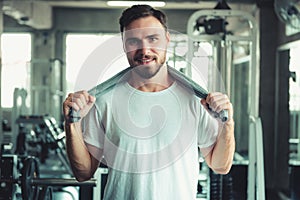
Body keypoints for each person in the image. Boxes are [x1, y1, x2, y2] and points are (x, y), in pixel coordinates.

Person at [62, 4, 235, 200]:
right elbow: (83, 173)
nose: (144, 50)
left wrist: (227, 124)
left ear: (167, 40)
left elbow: (221, 166)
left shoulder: (196, 100)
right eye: (134, 41)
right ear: (124, 45)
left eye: (153, 39)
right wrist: (72, 124)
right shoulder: (102, 100)